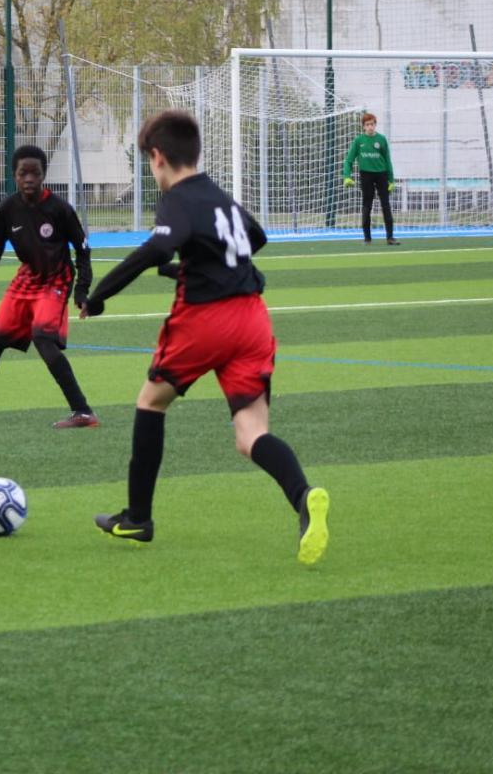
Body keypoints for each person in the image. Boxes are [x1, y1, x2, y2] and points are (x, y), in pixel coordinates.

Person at [80, 110, 330, 566]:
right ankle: (303, 496)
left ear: (157, 157)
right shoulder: (220, 196)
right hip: (253, 319)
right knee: (251, 435)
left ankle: (138, 518)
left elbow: (158, 247)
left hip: (206, 320)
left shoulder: (177, 198)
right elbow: (255, 237)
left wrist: (99, 296)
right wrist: (198, 265)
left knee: (151, 402)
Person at [0, 145, 98, 429]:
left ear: (43, 175)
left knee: (43, 337)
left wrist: (82, 291)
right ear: (14, 176)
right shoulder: (7, 210)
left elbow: (83, 251)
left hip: (56, 280)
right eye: (23, 173)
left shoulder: (60, 209)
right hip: (26, 279)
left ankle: (83, 412)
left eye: (35, 173)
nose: (29, 178)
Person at [343, 112, 399, 246]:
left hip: (381, 175)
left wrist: (391, 179)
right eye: (367, 125)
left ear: (375, 125)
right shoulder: (359, 141)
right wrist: (347, 176)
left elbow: (388, 160)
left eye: (372, 124)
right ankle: (367, 239)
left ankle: (390, 237)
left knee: (386, 205)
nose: (370, 127)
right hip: (366, 175)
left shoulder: (381, 139)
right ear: (363, 126)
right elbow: (349, 160)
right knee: (367, 206)